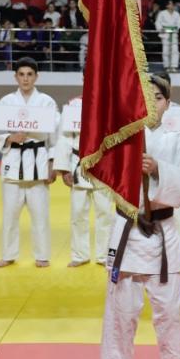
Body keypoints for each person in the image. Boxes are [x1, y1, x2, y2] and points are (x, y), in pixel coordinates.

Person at [97, 75, 180, 359]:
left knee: (171, 313)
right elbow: (101, 174)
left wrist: (158, 170)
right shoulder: (121, 139)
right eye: (146, 96)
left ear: (167, 104)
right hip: (127, 231)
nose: (152, 102)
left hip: (162, 234)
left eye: (158, 97)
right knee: (120, 314)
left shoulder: (177, 140)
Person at [0, 58, 58, 268]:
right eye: (22, 74)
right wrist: (9, 138)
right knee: (10, 214)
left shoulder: (46, 102)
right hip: (13, 159)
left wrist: (52, 163)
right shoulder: (5, 102)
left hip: (38, 160)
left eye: (30, 74)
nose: (26, 78)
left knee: (40, 214)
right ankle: (8, 254)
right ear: (16, 77)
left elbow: (54, 137)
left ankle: (42, 255)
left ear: (36, 77)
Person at [54, 96, 112, 267]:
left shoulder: (111, 104)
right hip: (78, 163)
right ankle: (80, 255)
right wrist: (63, 168)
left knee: (105, 213)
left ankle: (104, 256)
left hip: (103, 163)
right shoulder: (73, 105)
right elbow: (64, 137)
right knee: (78, 212)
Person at [155, 0, 180, 73]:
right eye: (170, 4)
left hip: (173, 34)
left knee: (175, 50)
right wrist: (160, 29)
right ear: (167, 5)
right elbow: (158, 23)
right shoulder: (162, 13)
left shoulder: (177, 14)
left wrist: (174, 29)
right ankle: (166, 66)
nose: (172, 5)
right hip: (165, 34)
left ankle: (174, 66)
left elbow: (179, 25)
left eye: (173, 4)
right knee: (165, 51)